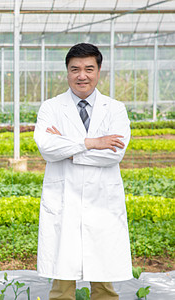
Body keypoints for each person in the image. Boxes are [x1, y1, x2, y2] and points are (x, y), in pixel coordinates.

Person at [33, 43, 132, 300]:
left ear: (99, 71)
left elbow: (114, 154)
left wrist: (66, 145)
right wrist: (91, 142)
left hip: (102, 204)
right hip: (64, 202)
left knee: (104, 286)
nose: (82, 75)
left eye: (89, 68)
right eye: (75, 69)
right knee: (61, 286)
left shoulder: (115, 109)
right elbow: (46, 148)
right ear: (67, 72)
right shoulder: (51, 107)